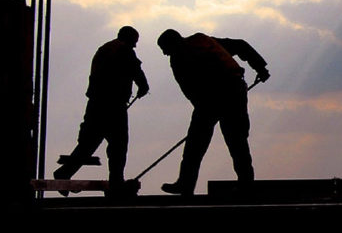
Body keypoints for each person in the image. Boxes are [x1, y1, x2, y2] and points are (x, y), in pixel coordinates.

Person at [157, 29, 270, 196]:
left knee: (198, 145)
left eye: (165, 50)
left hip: (214, 97)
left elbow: (189, 89)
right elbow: (240, 45)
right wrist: (260, 67)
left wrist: (202, 109)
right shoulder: (203, 41)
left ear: (172, 44)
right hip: (232, 92)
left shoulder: (179, 58)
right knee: (236, 141)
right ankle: (245, 184)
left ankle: (186, 184)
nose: (165, 54)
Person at [54, 26, 149, 191]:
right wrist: (143, 86)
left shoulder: (104, 49)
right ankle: (116, 181)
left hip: (96, 104)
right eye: (134, 42)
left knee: (89, 143)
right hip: (113, 106)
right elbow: (135, 70)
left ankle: (64, 172)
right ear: (130, 39)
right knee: (119, 144)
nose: (134, 46)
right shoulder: (123, 50)